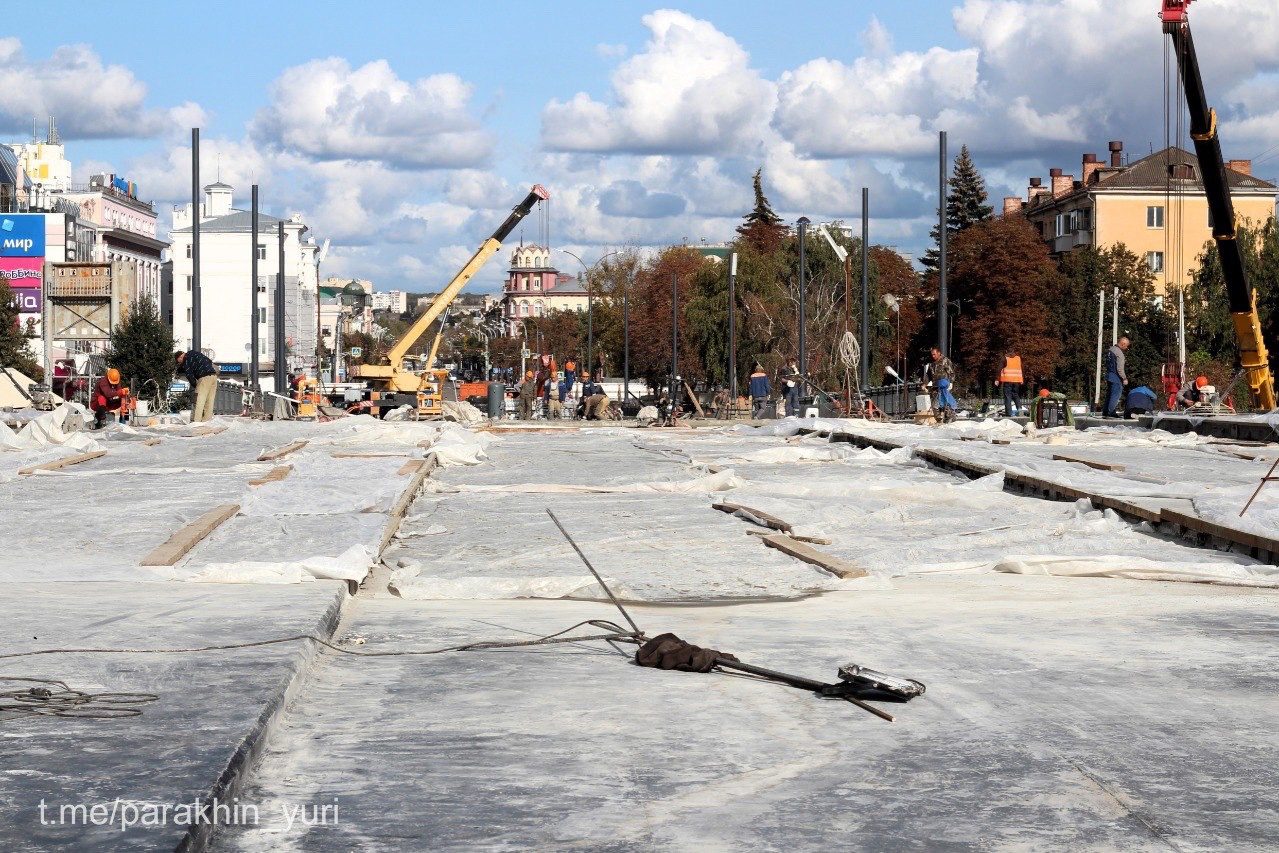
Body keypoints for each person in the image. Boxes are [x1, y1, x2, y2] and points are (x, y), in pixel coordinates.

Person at [175, 348, 218, 422]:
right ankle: (206, 422)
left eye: (178, 362)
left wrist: (196, 385)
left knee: (198, 401)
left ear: (180, 357)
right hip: (213, 377)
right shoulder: (195, 352)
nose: (180, 363)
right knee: (209, 402)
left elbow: (189, 375)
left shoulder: (186, 360)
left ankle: (196, 422)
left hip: (204, 378)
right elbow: (209, 361)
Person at [1104, 336, 1130, 417]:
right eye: (1126, 346)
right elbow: (1119, 368)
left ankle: (1105, 412)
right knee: (1115, 395)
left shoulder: (1111, 350)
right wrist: (1124, 378)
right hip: (1116, 377)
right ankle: (1111, 412)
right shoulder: (1119, 353)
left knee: (1109, 395)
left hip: (1109, 375)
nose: (1126, 348)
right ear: (1123, 344)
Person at [930, 347, 958, 423]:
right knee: (935, 405)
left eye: (934, 354)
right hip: (935, 386)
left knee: (945, 402)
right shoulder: (933, 364)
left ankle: (950, 418)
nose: (933, 356)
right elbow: (929, 376)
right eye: (932, 355)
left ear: (939, 353)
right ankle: (939, 420)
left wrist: (951, 382)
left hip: (944, 385)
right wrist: (925, 384)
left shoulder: (945, 361)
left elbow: (951, 372)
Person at [996, 348, 1024, 418]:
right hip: (1016, 380)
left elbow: (999, 369)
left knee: (1008, 397)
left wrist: (997, 379)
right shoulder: (1018, 358)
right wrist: (1021, 379)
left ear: (1006, 351)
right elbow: (1021, 368)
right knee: (1016, 395)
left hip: (1008, 380)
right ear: (1014, 352)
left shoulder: (1005, 358)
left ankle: (1009, 413)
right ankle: (1020, 409)